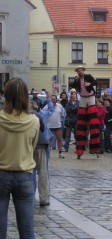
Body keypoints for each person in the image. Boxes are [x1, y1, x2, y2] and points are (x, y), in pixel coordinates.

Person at [0, 77, 40, 238]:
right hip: (24, 175)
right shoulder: (34, 121)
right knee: (27, 230)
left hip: (1, 172)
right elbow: (33, 145)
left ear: (5, 95)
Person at [69, 65, 101, 159]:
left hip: (90, 98)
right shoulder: (77, 79)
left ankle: (95, 149)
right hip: (83, 98)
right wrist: (75, 80)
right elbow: (73, 86)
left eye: (81, 70)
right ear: (77, 72)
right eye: (78, 70)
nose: (80, 71)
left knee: (93, 124)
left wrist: (89, 84)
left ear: (83, 71)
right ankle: (79, 150)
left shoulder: (88, 76)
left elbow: (96, 82)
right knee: (81, 125)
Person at [43, 94, 65, 158]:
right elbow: (43, 114)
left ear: (56, 100)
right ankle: (47, 153)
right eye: (52, 99)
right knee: (49, 140)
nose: (53, 100)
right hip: (49, 126)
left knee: (59, 139)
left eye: (54, 99)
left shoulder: (60, 106)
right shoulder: (47, 107)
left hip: (57, 125)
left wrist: (61, 122)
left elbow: (62, 115)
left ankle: (60, 153)